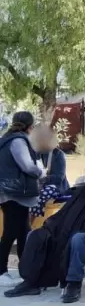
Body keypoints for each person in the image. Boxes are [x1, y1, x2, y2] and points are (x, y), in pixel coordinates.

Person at [4, 154, 85, 302]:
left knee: (78, 238)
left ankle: (73, 283)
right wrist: (54, 226)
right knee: (37, 234)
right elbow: (66, 213)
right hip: (73, 229)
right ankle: (31, 281)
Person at [0, 111, 42, 286]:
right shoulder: (18, 141)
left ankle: (25, 271)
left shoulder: (6, 139)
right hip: (15, 193)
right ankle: (1, 272)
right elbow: (27, 166)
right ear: (30, 127)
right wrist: (40, 170)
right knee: (11, 232)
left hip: (11, 192)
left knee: (23, 231)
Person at [29, 125, 70, 219]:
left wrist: (43, 180)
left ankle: (29, 225)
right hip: (39, 185)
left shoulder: (58, 155)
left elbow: (59, 178)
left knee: (39, 196)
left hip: (56, 187)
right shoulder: (34, 154)